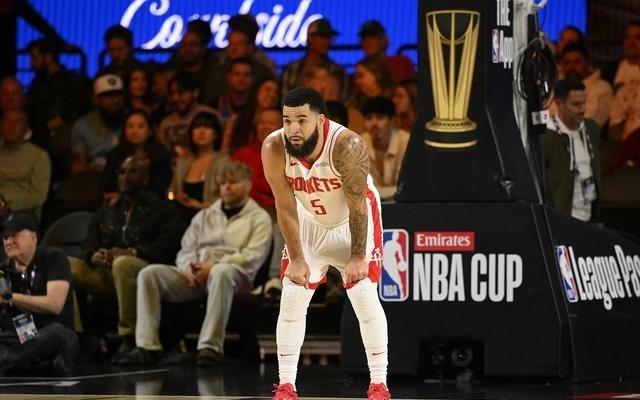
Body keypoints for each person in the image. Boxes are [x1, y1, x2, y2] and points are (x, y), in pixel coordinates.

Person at [262, 88, 391, 400]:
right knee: (292, 297)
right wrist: (296, 258)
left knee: (362, 294)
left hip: (351, 221)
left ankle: (379, 384)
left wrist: (358, 256)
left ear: (320, 121)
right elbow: (284, 206)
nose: (293, 128)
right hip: (308, 221)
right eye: (287, 120)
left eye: (301, 120)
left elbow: (358, 207)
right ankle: (287, 385)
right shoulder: (273, 147)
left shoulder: (347, 145)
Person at [117, 161, 272, 366]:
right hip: (197, 274)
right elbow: (186, 249)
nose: (227, 187)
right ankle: (147, 346)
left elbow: (253, 256)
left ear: (248, 185)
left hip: (237, 275)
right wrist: (189, 268)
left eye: (233, 182)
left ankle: (210, 347)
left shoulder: (260, 218)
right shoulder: (205, 215)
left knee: (221, 272)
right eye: (223, 183)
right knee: (149, 274)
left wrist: (214, 264)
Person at [70, 156, 184, 361]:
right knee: (67, 265)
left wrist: (132, 252)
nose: (125, 176)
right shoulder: (107, 212)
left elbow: (167, 247)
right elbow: (88, 244)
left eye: (133, 171)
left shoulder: (162, 210)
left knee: (123, 263)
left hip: (143, 271)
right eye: (122, 172)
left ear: (146, 178)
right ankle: (76, 336)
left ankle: (129, 336)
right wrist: (95, 256)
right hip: (108, 272)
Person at [0, 212, 78, 376]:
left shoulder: (53, 258)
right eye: (5, 237)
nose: (9, 241)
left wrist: (10, 297)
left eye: (15, 235)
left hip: (52, 331)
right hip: (23, 335)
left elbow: (54, 305)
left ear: (33, 238)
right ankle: (29, 362)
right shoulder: (3, 270)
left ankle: (12, 361)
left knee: (56, 334)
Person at [542, 78, 601, 222]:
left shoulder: (590, 128)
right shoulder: (547, 135)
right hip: (562, 219)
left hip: (589, 215)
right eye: (576, 104)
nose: (582, 109)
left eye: (584, 103)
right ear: (558, 103)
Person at [169, 112, 230, 223]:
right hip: (181, 219)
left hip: (212, 220)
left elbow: (229, 197)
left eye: (207, 127)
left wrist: (201, 206)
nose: (201, 132)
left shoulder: (223, 162)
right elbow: (170, 193)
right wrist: (177, 196)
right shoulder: (183, 162)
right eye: (197, 127)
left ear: (216, 134)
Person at [102, 109, 172, 203]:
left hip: (152, 206)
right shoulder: (114, 156)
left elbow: (159, 190)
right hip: (119, 205)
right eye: (130, 126)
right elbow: (108, 186)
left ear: (150, 131)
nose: (135, 131)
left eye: (141, 126)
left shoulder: (161, 157)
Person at [0, 110, 51, 219]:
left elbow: (40, 196)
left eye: (17, 122)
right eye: (6, 121)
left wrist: (10, 206)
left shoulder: (38, 156)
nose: (11, 126)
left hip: (22, 213)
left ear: (26, 129)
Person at [71, 74, 126, 174]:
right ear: (96, 99)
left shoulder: (132, 121)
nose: (115, 100)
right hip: (93, 176)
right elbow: (78, 164)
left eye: (118, 95)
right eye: (108, 96)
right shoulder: (81, 125)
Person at [280, 18, 348, 98]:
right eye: (322, 36)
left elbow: (343, 99)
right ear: (310, 38)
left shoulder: (338, 71)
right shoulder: (292, 69)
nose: (327, 41)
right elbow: (284, 99)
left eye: (329, 37)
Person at [549, 43, 612, 127]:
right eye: (567, 62)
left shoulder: (602, 88)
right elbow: (547, 114)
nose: (572, 67)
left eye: (577, 61)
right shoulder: (555, 86)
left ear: (588, 62)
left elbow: (589, 120)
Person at [360, 97, 410, 201]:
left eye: (380, 118)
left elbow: (408, 187)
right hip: (371, 206)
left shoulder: (406, 142)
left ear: (392, 120)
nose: (374, 123)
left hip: (403, 204)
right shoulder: (359, 143)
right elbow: (361, 189)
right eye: (369, 118)